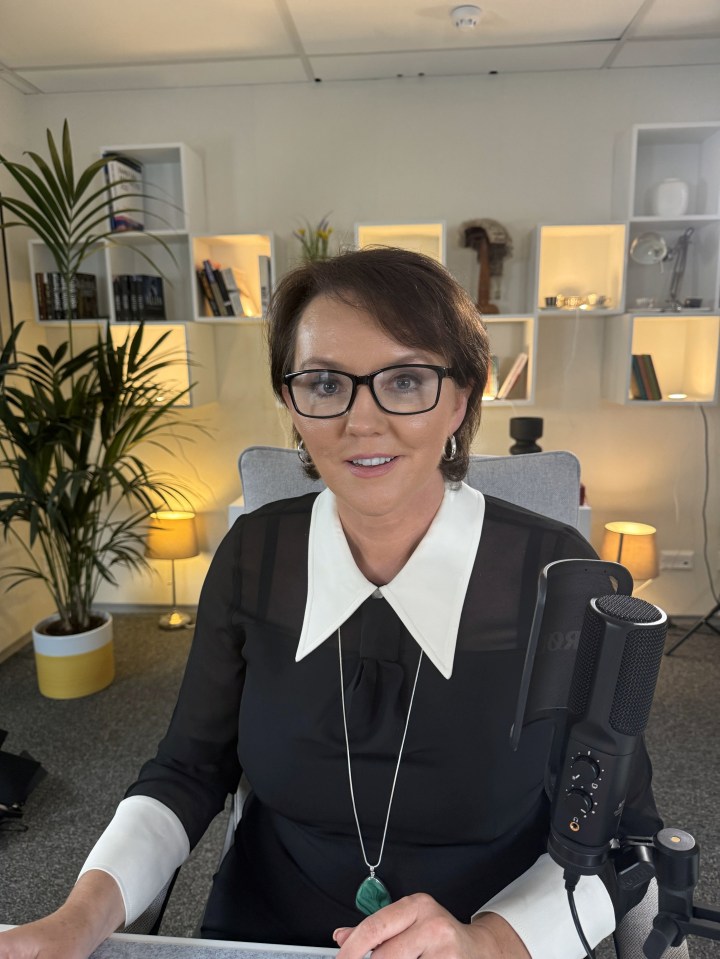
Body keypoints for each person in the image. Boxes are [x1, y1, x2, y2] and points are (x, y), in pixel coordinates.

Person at [0, 247, 661, 959]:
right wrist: (75, 919)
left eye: (405, 380)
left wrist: (491, 943)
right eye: (324, 382)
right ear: (292, 403)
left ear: (463, 398)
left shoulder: (554, 571)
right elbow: (187, 771)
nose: (362, 420)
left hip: (487, 931)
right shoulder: (255, 554)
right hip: (267, 933)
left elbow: (626, 835)